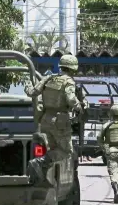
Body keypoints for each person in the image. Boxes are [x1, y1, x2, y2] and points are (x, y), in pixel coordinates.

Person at [24, 54, 83, 183]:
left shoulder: (48, 78)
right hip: (60, 121)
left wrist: (27, 85)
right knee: (66, 152)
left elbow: (32, 92)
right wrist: (79, 107)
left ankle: (43, 176)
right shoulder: (69, 81)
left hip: (45, 119)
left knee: (51, 149)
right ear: (73, 69)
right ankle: (39, 162)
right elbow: (71, 99)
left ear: (61, 66)